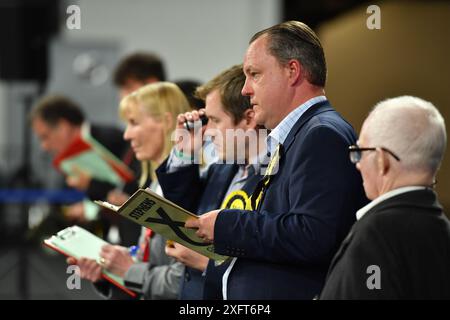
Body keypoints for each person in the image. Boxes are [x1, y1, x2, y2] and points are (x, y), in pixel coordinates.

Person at [186, 21, 367, 299]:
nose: (246, 90)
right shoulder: (302, 133)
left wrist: (227, 225)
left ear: (292, 71)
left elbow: (313, 235)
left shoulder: (321, 134)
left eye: (254, 74)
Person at [67, 82, 192, 299]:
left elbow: (184, 281)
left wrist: (129, 269)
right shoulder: (155, 183)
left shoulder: (185, 189)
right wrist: (111, 268)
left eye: (134, 123)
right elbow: (152, 264)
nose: (127, 135)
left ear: (166, 121)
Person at [319, 96, 450, 299]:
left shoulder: (376, 235)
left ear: (381, 160)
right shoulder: (441, 229)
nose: (358, 164)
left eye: (360, 152)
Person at [157, 65, 264, 299]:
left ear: (248, 119)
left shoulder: (273, 174)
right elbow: (186, 213)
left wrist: (208, 264)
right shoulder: (224, 167)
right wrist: (186, 153)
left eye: (215, 120)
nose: (208, 132)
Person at [67, 51, 167, 246]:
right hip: (126, 241)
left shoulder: (171, 144)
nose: (123, 96)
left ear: (151, 84)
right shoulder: (132, 144)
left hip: (149, 250)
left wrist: (96, 186)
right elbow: (126, 187)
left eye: (128, 87)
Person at [30, 95, 128, 224]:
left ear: (63, 127)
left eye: (45, 137)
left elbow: (130, 190)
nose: (44, 146)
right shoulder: (67, 162)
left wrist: (91, 192)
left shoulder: (112, 138)